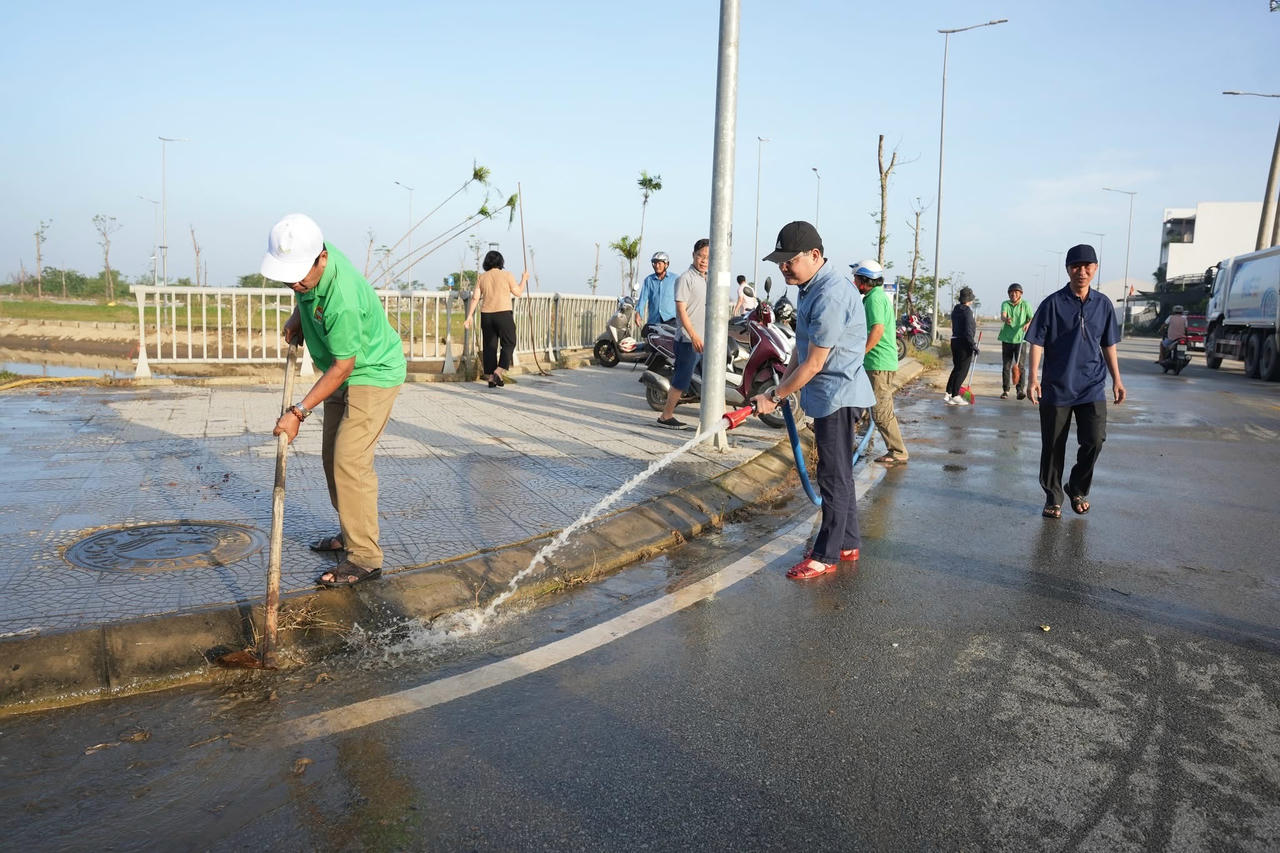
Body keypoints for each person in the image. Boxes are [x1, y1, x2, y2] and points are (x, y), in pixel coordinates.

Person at [262, 213, 406, 587]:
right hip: (340, 370)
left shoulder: (342, 296)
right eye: (288, 278)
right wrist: (298, 315)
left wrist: (298, 412)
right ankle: (351, 530)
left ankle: (365, 557)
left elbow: (344, 367)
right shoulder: (311, 262)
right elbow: (308, 294)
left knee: (350, 460)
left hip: (372, 372)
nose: (295, 284)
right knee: (332, 459)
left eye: (299, 277)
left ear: (322, 259)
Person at [753, 222, 875, 580]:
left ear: (814, 255)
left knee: (833, 477)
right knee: (839, 474)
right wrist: (781, 386)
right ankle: (847, 542)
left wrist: (776, 395)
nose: (783, 267)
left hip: (838, 394)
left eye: (789, 260)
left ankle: (826, 555)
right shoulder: (809, 288)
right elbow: (802, 349)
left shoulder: (830, 294)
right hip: (828, 394)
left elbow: (815, 363)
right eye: (780, 262)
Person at [1026, 243, 1126, 519]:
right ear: (1068, 269)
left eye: (1087, 266)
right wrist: (1033, 377)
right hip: (1056, 387)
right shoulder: (1052, 303)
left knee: (1095, 440)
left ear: (1095, 269)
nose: (1081, 271)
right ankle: (1053, 496)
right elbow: (1037, 342)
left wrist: (1117, 380)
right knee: (1053, 445)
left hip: (1091, 386)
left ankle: (1076, 487)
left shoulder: (1103, 304)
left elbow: (1109, 344)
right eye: (1076, 266)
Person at [852, 259, 908, 466]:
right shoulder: (875, 296)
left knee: (881, 411)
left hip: (878, 363)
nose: (854, 282)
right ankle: (849, 437)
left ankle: (898, 451)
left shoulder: (874, 299)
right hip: (876, 363)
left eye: (856, 278)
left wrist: (861, 353)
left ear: (864, 280)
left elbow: (877, 329)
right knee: (860, 401)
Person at [657, 239, 709, 430]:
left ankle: (719, 417)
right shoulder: (685, 278)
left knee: (711, 379)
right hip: (688, 340)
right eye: (700, 256)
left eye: (708, 257)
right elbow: (681, 310)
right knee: (682, 379)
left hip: (705, 340)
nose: (704, 261)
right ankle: (666, 416)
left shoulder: (706, 279)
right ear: (693, 255)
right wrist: (694, 336)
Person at [463, 250, 529, 388]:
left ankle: (491, 378)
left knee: (490, 346)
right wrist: (524, 279)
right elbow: (518, 292)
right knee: (509, 342)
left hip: (486, 315)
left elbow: (475, 298)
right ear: (501, 262)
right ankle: (498, 371)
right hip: (503, 313)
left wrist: (469, 317)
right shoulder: (507, 275)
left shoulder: (482, 277)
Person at [944, 287, 979, 405]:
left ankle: (948, 393)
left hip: (955, 341)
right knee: (962, 370)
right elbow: (968, 331)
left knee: (957, 368)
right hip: (964, 343)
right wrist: (973, 345)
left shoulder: (956, 309)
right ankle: (955, 395)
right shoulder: (968, 311)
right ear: (970, 299)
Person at [998, 282, 1033, 399]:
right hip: (1007, 339)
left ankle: (1020, 390)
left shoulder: (1025, 304)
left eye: (1016, 292)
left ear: (1020, 294)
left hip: (1020, 339)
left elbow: (1031, 318)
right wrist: (1006, 319)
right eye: (1011, 292)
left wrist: (1027, 324)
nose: (1013, 294)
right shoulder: (1005, 304)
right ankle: (1006, 390)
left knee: (1020, 366)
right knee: (1006, 366)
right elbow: (1003, 315)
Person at [636, 251, 678, 334]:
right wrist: (638, 313)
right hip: (654, 320)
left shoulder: (675, 279)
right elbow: (642, 299)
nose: (656, 266)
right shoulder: (649, 280)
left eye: (659, 263)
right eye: (654, 263)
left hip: (671, 321)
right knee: (649, 340)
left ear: (666, 264)